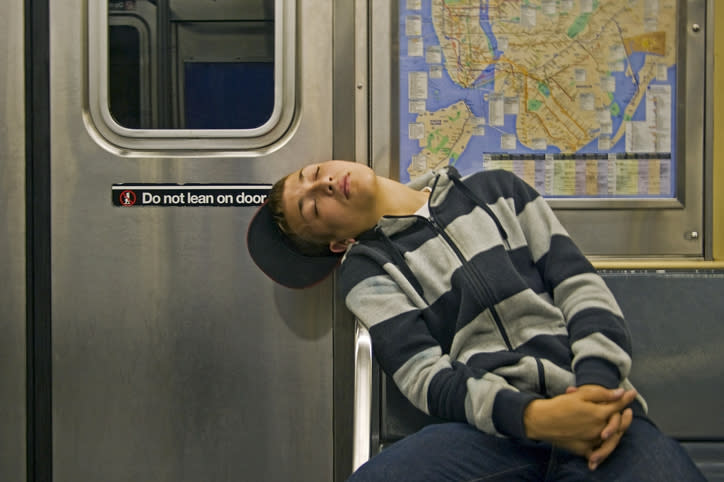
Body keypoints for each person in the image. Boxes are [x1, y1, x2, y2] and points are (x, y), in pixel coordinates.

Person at [247, 160, 705, 481]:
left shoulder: (498, 191)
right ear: (336, 242)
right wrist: (532, 417)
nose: (321, 184)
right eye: (311, 206)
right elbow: (426, 378)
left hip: (592, 405)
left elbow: (579, 287)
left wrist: (596, 394)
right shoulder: (366, 271)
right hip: (492, 434)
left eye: (311, 174)